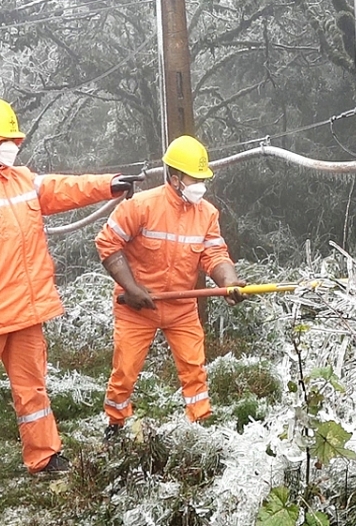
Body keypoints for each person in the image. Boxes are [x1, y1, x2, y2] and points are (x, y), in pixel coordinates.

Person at [0, 96, 142, 496]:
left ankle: (43, 455)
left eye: (14, 138)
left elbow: (65, 188)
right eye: (5, 138)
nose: (12, 144)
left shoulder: (22, 178)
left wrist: (110, 183)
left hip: (26, 312)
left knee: (34, 389)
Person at [95, 135, 245, 435]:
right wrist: (131, 287)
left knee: (194, 368)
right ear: (174, 178)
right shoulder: (141, 206)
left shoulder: (207, 214)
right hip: (137, 308)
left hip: (181, 308)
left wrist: (228, 282)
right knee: (124, 372)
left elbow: (214, 253)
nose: (201, 184)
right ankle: (116, 422)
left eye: (204, 178)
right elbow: (107, 243)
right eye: (195, 178)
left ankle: (200, 424)